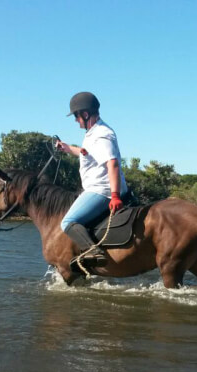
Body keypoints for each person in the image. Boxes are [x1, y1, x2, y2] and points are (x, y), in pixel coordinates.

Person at [55, 91, 129, 267]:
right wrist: (67, 148)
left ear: (85, 114)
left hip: (101, 190)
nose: (75, 121)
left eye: (76, 116)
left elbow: (113, 164)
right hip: (99, 188)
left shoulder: (102, 134)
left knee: (67, 222)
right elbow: (85, 153)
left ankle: (93, 252)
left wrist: (115, 195)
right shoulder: (93, 133)